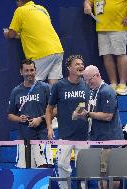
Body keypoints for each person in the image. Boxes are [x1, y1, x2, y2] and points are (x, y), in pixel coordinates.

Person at [46, 55, 89, 189]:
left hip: (83, 135)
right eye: (77, 64)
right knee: (61, 165)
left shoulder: (87, 84)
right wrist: (49, 127)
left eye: (82, 64)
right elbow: (49, 108)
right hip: (65, 135)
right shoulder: (59, 85)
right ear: (69, 68)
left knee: (84, 168)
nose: (81, 66)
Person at [79, 65, 124, 189]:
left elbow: (108, 116)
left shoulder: (107, 91)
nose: (87, 83)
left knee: (112, 175)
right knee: (101, 174)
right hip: (96, 139)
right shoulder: (91, 92)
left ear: (98, 75)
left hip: (109, 140)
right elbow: (81, 111)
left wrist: (88, 114)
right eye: (85, 80)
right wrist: (79, 113)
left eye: (90, 79)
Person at [83, 0, 127, 95]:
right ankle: (113, 84)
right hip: (102, 26)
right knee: (106, 55)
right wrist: (87, 6)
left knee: (120, 54)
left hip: (119, 25)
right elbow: (88, 1)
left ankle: (123, 85)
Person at [4, 0, 64, 85]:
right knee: (53, 85)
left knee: (33, 84)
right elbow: (38, 29)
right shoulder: (42, 9)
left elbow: (12, 33)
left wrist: (7, 34)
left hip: (40, 53)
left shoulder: (20, 10)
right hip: (57, 49)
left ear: (20, 1)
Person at [7, 59, 53, 168]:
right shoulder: (16, 91)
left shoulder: (45, 88)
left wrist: (40, 119)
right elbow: (10, 114)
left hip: (42, 135)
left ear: (35, 71)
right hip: (24, 138)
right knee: (25, 174)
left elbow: (55, 110)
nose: (29, 73)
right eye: (26, 70)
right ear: (21, 72)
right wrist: (19, 119)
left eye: (32, 70)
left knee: (44, 170)